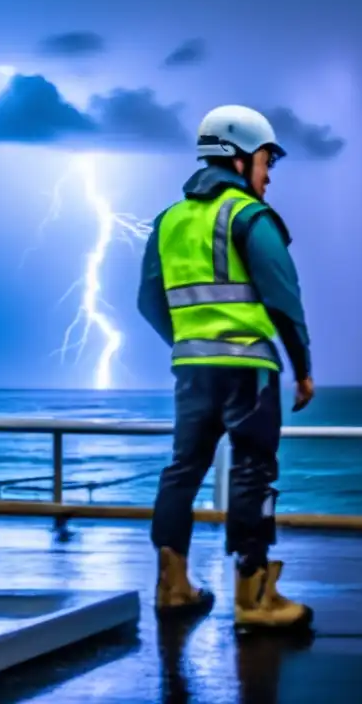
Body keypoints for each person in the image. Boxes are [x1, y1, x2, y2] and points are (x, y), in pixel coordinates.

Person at [137, 105, 315, 632]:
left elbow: (149, 301)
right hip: (249, 372)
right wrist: (303, 368)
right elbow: (285, 300)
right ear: (240, 158)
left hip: (192, 370)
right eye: (266, 161)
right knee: (253, 472)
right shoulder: (248, 216)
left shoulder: (168, 220)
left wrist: (190, 342)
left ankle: (172, 587)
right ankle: (255, 597)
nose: (268, 175)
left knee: (182, 469)